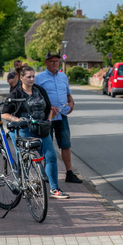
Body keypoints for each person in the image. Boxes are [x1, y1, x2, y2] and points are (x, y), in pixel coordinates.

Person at [1, 65, 68, 199]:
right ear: (21, 78)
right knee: (25, 158)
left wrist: (48, 120)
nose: (32, 79)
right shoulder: (16, 93)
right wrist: (18, 120)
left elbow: (49, 108)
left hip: (41, 128)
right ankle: (24, 186)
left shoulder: (40, 90)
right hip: (23, 130)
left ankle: (54, 189)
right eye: (29, 77)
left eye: (33, 76)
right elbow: (4, 113)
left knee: (51, 157)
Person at [36, 52, 83, 184]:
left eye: (56, 61)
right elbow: (36, 97)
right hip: (47, 117)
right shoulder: (39, 78)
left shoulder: (63, 77)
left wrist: (72, 102)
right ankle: (45, 173)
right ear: (45, 63)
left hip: (62, 115)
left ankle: (69, 173)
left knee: (66, 144)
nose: (54, 63)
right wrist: (48, 108)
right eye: (51, 61)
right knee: (46, 145)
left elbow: (68, 94)